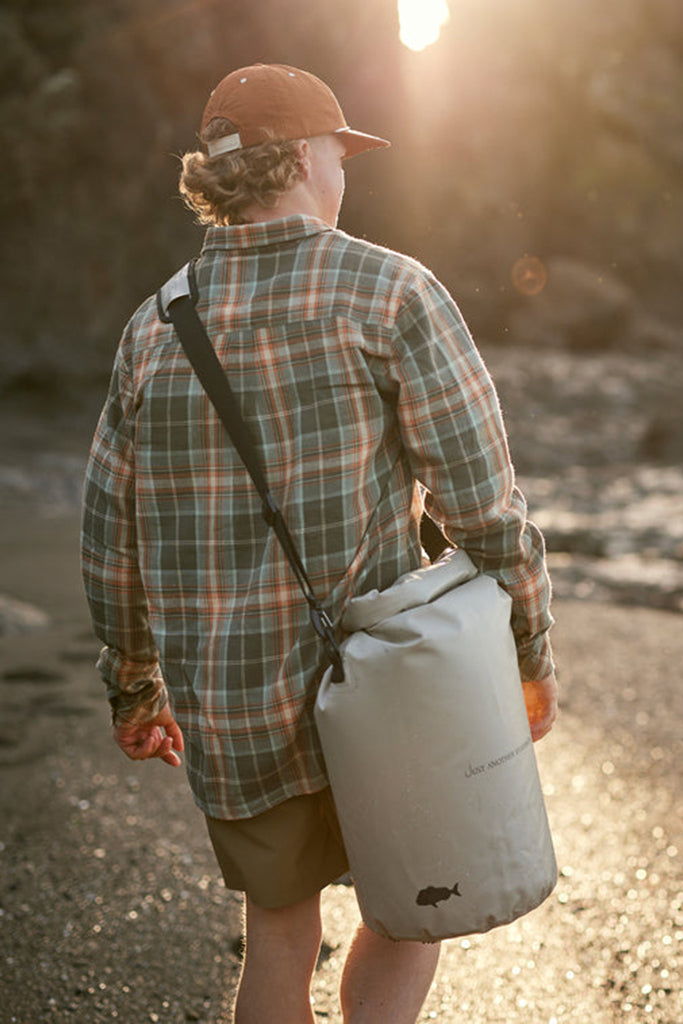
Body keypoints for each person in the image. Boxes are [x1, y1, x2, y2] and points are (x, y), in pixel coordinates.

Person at [81, 62, 558, 1024]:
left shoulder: (153, 328)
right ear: (303, 157)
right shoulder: (389, 292)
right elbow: (482, 506)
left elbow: (109, 536)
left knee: (279, 934)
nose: (345, 176)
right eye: (340, 155)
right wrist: (528, 652)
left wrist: (135, 685)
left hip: (234, 700)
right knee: (415, 909)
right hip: (396, 685)